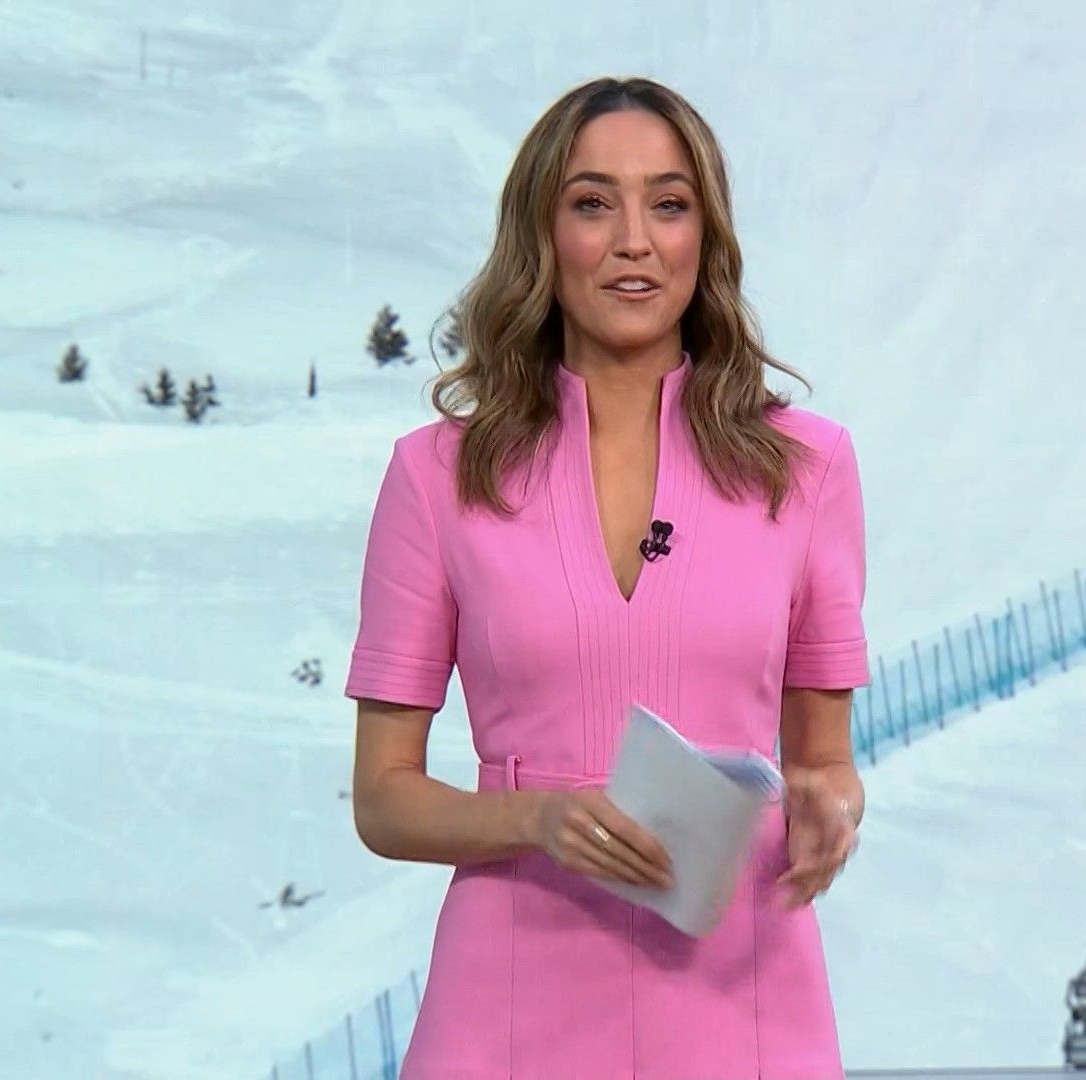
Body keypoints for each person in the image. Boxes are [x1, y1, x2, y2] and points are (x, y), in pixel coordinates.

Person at [346, 75, 869, 1079]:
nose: (635, 241)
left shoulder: (809, 469)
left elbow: (824, 762)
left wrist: (829, 806)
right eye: (593, 204)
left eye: (669, 205)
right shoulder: (435, 476)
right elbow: (383, 799)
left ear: (705, 237)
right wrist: (536, 819)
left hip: (743, 1002)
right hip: (510, 1007)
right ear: (543, 237)